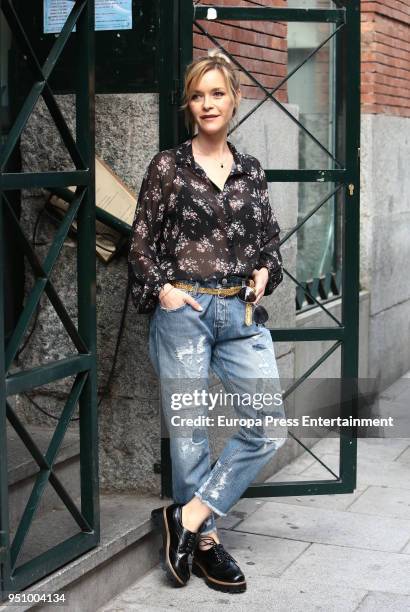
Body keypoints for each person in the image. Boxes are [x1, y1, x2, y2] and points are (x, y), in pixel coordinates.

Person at [128, 48, 287, 594]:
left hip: (240, 312)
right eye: (198, 95)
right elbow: (141, 246)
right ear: (188, 105)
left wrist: (266, 270)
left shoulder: (252, 171)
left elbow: (271, 242)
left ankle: (188, 517)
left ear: (234, 99)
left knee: (267, 426)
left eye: (217, 93)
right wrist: (167, 292)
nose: (207, 103)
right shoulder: (168, 167)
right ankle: (207, 543)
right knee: (192, 434)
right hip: (186, 313)